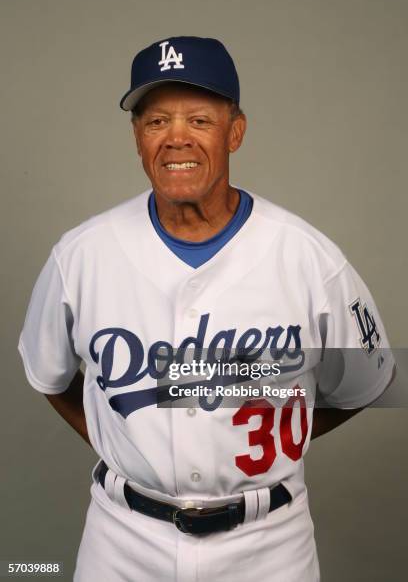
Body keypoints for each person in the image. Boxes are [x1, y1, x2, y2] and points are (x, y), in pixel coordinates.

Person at [18, 36, 395, 582]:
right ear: (136, 137)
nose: (175, 139)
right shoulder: (81, 254)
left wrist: (276, 426)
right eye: (156, 122)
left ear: (235, 132)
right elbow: (49, 375)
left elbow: (369, 382)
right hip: (122, 542)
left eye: (198, 120)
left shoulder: (309, 258)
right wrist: (117, 438)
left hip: (269, 547)